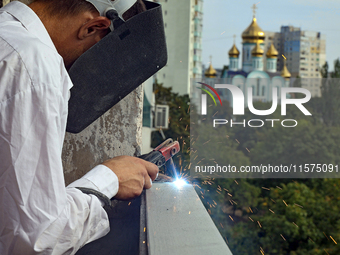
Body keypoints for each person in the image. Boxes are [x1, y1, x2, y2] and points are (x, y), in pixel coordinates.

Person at [0, 0, 159, 254]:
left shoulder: (7, 35)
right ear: (93, 27)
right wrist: (109, 179)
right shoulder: (34, 65)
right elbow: (37, 240)